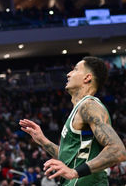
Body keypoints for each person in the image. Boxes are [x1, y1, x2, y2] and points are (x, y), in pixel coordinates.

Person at [19, 56, 126, 185]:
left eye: (75, 69)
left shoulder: (89, 106)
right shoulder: (79, 109)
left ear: (87, 78)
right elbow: (70, 158)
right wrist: (43, 141)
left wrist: (75, 172)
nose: (69, 74)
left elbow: (118, 150)